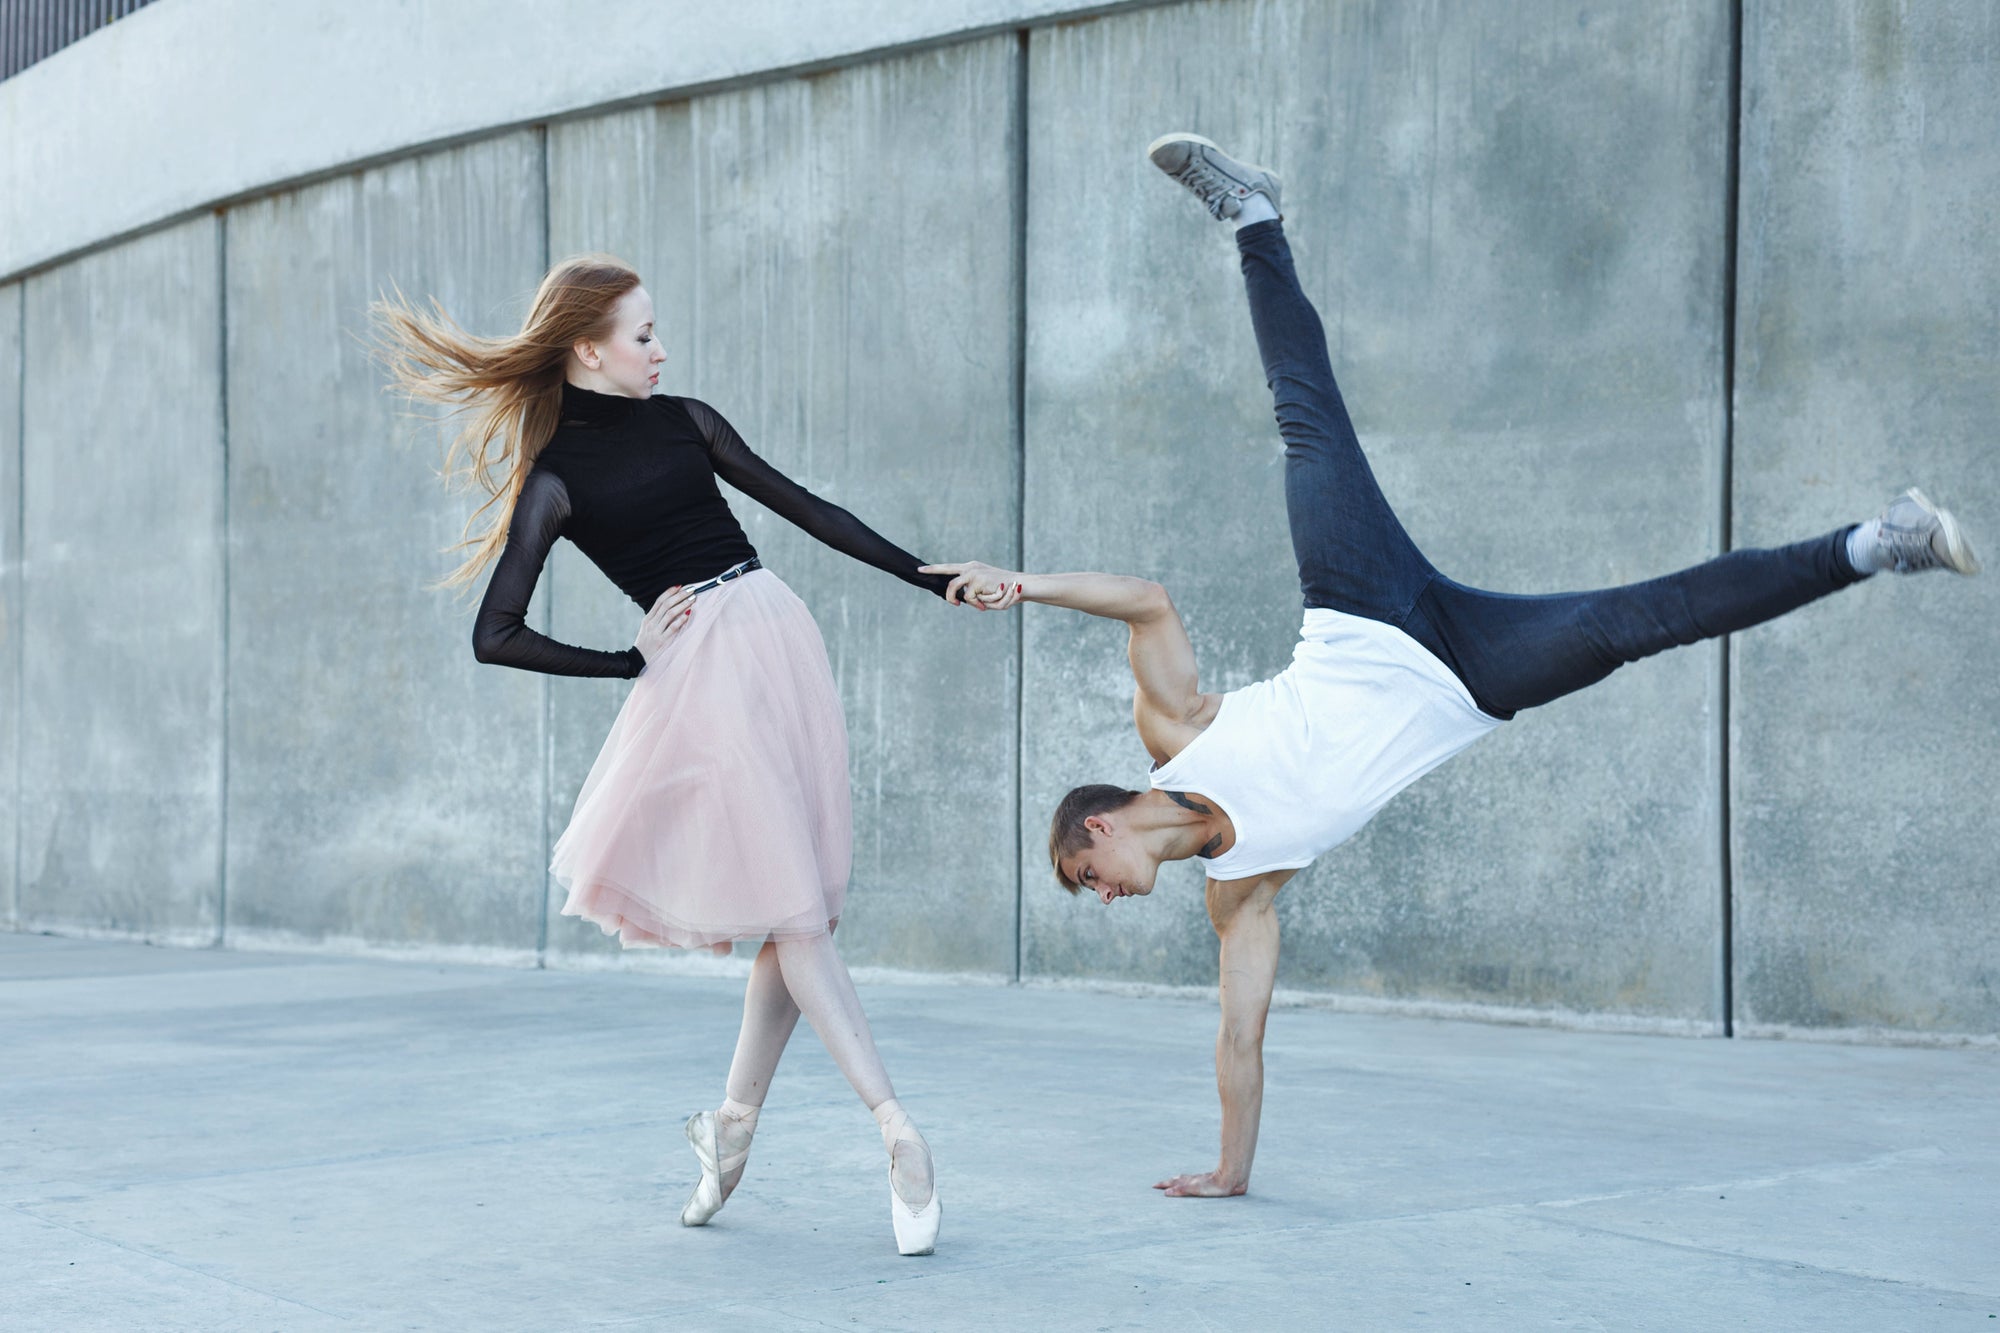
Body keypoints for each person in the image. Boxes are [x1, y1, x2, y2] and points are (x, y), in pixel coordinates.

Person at [926, 133, 1980, 1200]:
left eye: (1083, 877)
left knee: (1308, 430)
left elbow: (1146, 601)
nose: (1099, 897)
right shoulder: (1236, 896)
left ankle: (1250, 217)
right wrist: (1228, 1171)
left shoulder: (1172, 734)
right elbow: (1238, 1038)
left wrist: (1024, 581)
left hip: (1357, 605)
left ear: (1095, 824)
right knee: (1641, 618)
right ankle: (1876, 542)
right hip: (1466, 676)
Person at [374, 257, 942, 1254]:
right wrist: (626, 659)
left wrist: (929, 579)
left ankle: (728, 1128)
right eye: (643, 335)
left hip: (776, 636)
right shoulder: (556, 479)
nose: (660, 350)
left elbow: (805, 506)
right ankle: (895, 1128)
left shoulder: (686, 419)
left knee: (798, 910)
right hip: (699, 676)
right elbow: (493, 632)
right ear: (588, 347)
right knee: (796, 913)